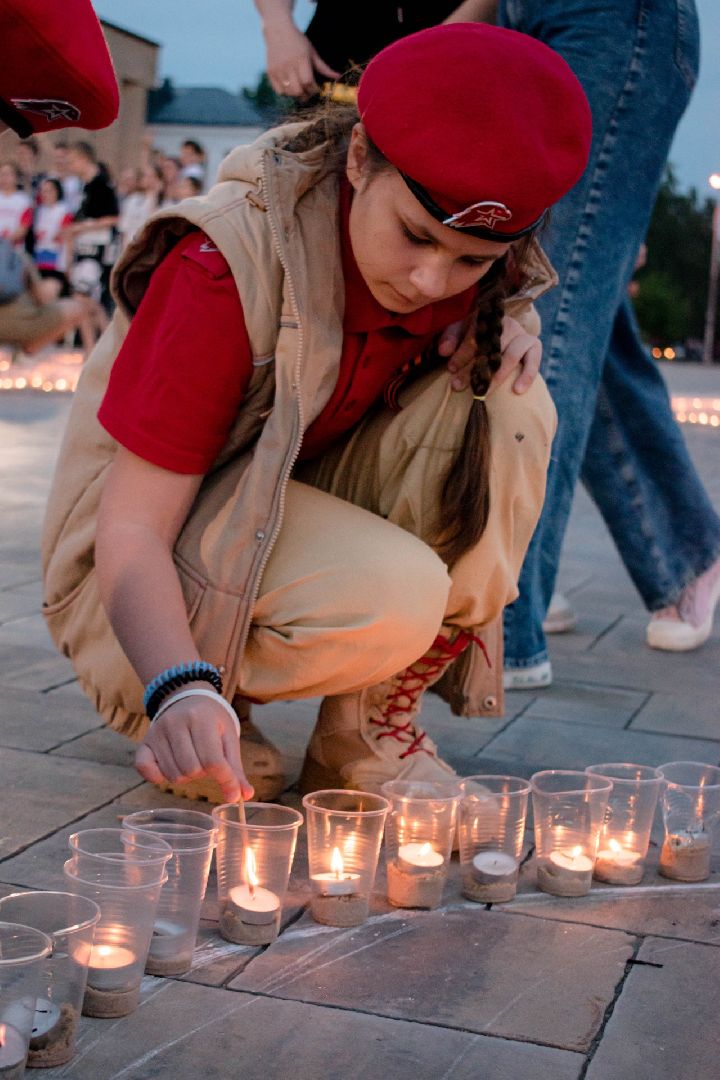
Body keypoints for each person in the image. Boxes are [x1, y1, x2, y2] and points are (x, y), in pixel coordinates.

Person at [42, 25, 591, 805]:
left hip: (270, 512)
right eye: (413, 236)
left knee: (508, 399)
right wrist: (177, 687)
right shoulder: (223, 270)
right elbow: (129, 531)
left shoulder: (469, 272)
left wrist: (506, 322)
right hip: (124, 581)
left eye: (470, 260)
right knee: (393, 593)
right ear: (359, 158)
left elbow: (475, 293)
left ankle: (364, 736)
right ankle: (203, 702)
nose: (430, 280)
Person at [483, 0, 720, 685]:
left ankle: (507, 620)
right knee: (574, 300)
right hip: (515, 17)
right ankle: (683, 554)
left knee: (547, 309)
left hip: (612, 19)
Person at [0, 161, 31, 247]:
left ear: (16, 177)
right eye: (2, 174)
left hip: (15, 248)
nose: (5, 178)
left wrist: (6, 241)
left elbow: (24, 226)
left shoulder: (23, 200)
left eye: (8, 174)